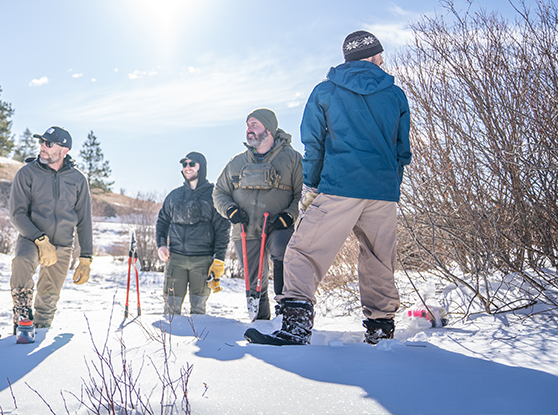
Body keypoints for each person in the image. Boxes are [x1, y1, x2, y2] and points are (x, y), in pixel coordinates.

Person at [246, 30, 412, 346]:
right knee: (379, 260)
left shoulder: (326, 91)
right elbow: (402, 149)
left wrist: (311, 186)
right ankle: (380, 329)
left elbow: (314, 144)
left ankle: (296, 327)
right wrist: (392, 186)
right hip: (383, 191)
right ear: (376, 56)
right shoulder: (395, 95)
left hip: (341, 186)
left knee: (302, 252)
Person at [213, 109, 302, 320]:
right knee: (254, 281)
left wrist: (290, 215)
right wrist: (229, 210)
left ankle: (285, 315)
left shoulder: (292, 159)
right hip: (245, 230)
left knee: (283, 251)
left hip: (277, 226)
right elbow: (219, 192)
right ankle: (260, 321)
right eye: (247, 125)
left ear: (269, 128)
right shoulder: (237, 162)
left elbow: (304, 194)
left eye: (254, 124)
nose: (249, 129)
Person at [9, 126, 93, 333]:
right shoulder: (27, 173)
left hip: (63, 244)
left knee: (49, 297)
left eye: (48, 143)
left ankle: (42, 328)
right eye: (41, 142)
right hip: (31, 239)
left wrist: (86, 257)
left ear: (64, 150)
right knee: (21, 261)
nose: (42, 147)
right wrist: (39, 239)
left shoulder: (77, 179)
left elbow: (84, 219)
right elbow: (17, 213)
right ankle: (22, 317)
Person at [155, 152, 230, 315]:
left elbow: (222, 229)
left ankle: (196, 339)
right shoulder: (174, 196)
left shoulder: (214, 196)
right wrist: (161, 245)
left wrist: (219, 259)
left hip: (202, 262)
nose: (187, 168)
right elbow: (162, 221)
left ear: (201, 167)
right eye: (184, 164)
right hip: (175, 260)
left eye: (192, 164)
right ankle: (168, 341)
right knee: (170, 310)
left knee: (198, 310)